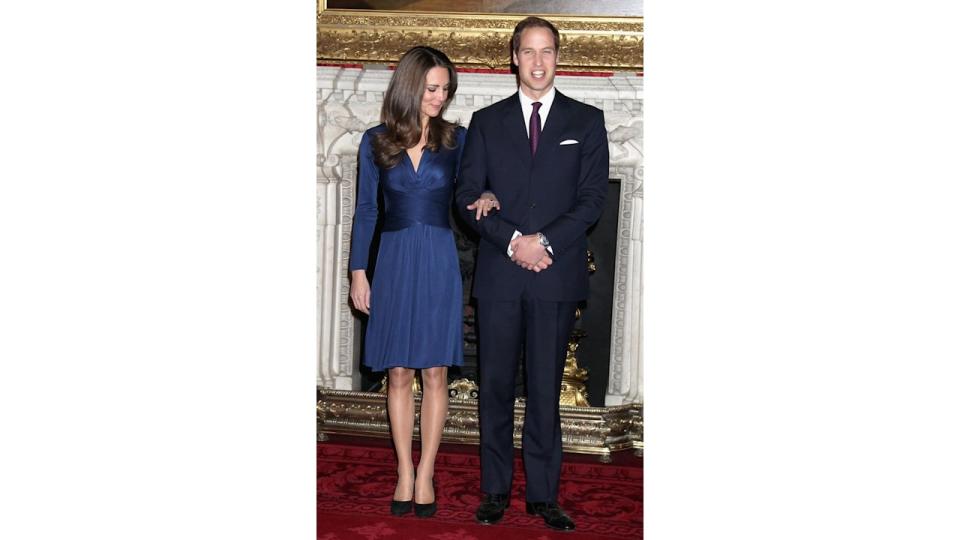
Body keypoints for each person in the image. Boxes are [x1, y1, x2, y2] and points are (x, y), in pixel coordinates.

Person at [454, 17, 610, 532]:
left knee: (545, 389)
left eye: (547, 52)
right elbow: (466, 195)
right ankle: (495, 490)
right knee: (494, 386)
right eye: (529, 52)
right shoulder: (486, 122)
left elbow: (591, 202)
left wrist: (541, 242)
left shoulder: (586, 121)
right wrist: (511, 240)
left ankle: (544, 496)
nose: (538, 62)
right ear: (514, 57)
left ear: (557, 57)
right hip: (500, 275)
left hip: (555, 273)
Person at [348, 46, 499, 519]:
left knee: (435, 372)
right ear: (410, 86)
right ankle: (403, 472)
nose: (440, 97)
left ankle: (428, 470)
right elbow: (367, 210)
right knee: (397, 371)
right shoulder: (375, 141)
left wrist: (490, 194)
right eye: (432, 88)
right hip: (392, 260)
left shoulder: (459, 139)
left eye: (445, 89)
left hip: (437, 259)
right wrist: (358, 272)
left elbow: (476, 189)